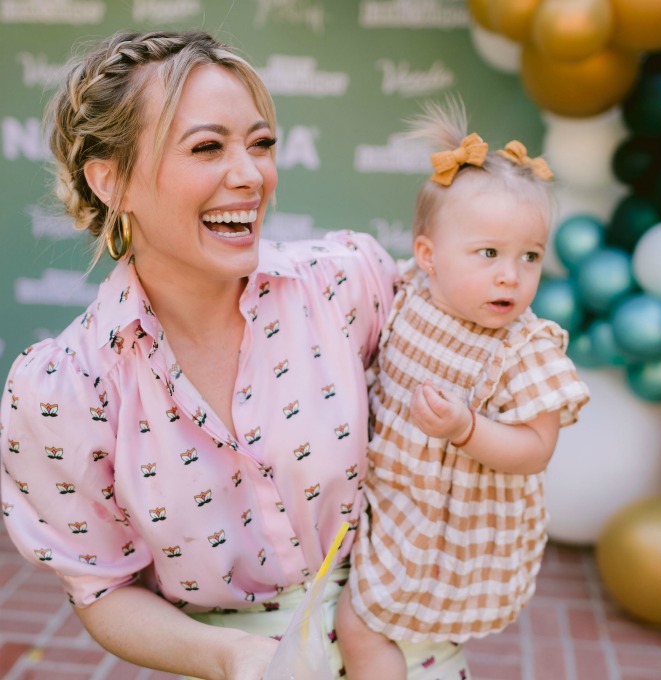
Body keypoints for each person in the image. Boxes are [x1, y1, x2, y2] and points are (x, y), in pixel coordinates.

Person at [0, 29, 420, 680]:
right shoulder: (63, 390)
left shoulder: (345, 286)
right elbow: (102, 590)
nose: (250, 175)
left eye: (261, 144)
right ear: (111, 180)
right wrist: (234, 658)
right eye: (207, 148)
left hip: (398, 644)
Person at [335, 99, 591, 679]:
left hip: (455, 530)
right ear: (428, 256)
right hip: (395, 501)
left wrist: (466, 429)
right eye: (490, 254)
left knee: (362, 623)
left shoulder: (525, 347)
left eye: (530, 257)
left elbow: (536, 448)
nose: (511, 274)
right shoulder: (410, 293)